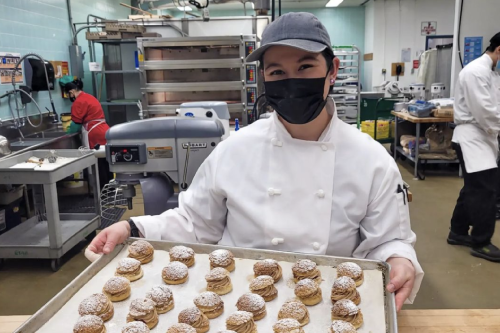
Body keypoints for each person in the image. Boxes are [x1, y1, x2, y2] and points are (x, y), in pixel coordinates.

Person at [88, 12, 423, 311]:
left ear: (332, 71)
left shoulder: (370, 159)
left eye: (306, 67)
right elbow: (194, 222)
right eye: (277, 71)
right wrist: (132, 227)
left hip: (326, 307)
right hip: (237, 305)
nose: (291, 81)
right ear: (264, 78)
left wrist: (400, 260)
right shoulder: (236, 149)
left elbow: (389, 239)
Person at [448, 32, 500, 262]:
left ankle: (457, 232)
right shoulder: (475, 71)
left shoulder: (489, 72)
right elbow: (485, 111)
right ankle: (481, 242)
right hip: (472, 137)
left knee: (473, 188)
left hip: (481, 136)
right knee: (485, 191)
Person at [64, 79, 111, 190]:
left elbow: (76, 122)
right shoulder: (89, 97)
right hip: (104, 129)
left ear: (72, 92)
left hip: (94, 133)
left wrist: (68, 132)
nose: (70, 97)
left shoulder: (79, 102)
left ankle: (101, 190)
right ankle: (110, 188)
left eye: (69, 94)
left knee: (97, 163)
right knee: (105, 161)